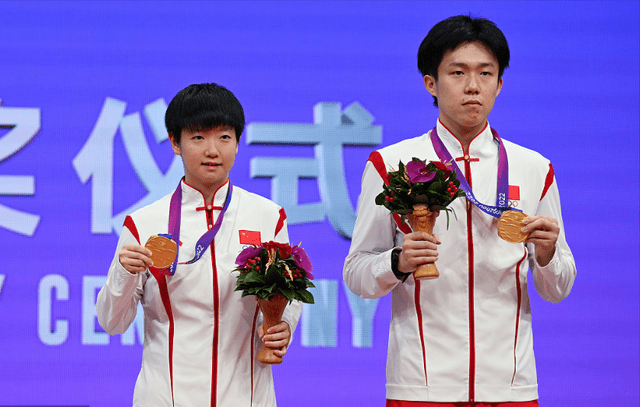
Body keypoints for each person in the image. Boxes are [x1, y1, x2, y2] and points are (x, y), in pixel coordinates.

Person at [343, 15, 576, 407]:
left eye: (486, 73)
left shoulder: (535, 168)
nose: (473, 86)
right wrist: (397, 262)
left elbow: (557, 289)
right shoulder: (391, 164)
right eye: (458, 72)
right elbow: (356, 273)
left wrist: (548, 254)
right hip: (421, 385)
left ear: (499, 84)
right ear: (430, 83)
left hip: (510, 386)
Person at [97, 83, 301, 406]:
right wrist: (124, 272)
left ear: (238, 142)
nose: (212, 150)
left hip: (248, 398)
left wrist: (284, 324)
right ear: (175, 142)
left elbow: (287, 295)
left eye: (224, 137)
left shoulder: (268, 217)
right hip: (166, 398)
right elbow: (112, 322)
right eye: (198, 137)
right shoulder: (143, 223)